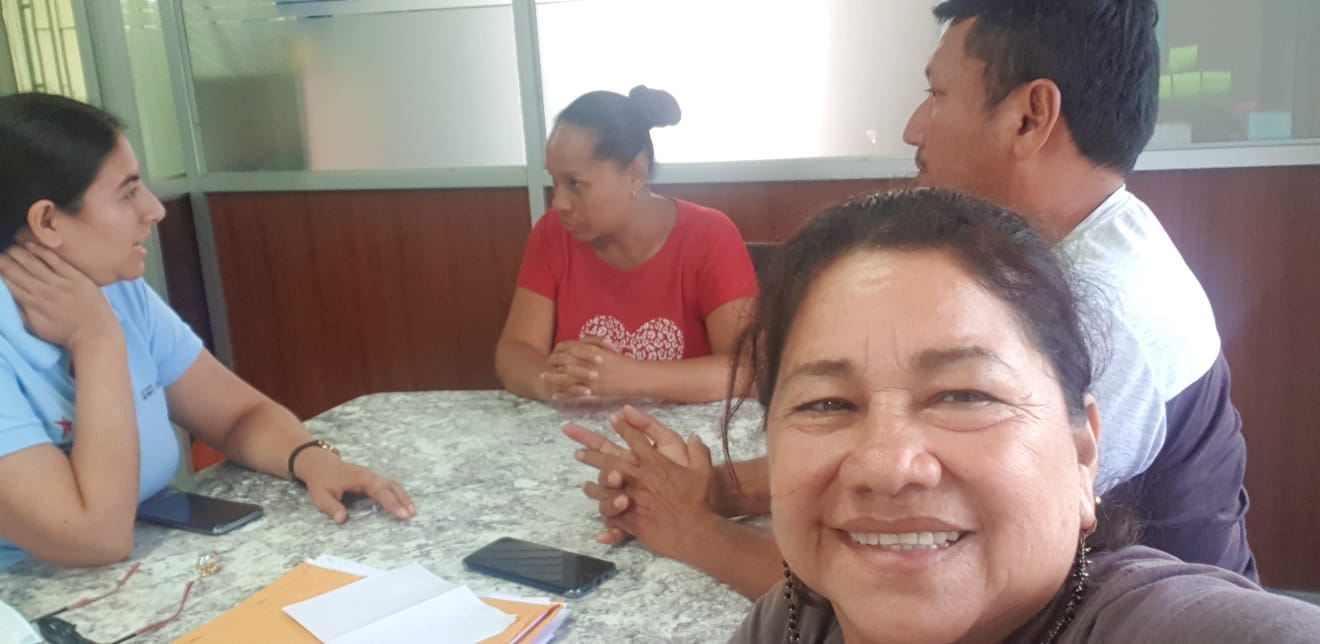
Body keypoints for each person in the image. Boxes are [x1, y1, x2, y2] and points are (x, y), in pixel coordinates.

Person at [567, 0, 1255, 597]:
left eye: (937, 94)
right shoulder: (1048, 257)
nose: (913, 129)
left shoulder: (1107, 313)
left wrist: (692, 530)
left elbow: (925, 579)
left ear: (1029, 117)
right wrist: (711, 487)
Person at [718, 189, 1318, 643]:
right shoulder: (798, 616)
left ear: (1082, 455)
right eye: (826, 403)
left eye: (964, 396)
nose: (887, 466)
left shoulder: (1164, 625)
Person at [0, 93, 415, 571]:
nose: (154, 209)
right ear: (47, 221)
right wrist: (96, 342)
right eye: (128, 193)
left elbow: (239, 415)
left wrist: (313, 461)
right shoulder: (94, 317)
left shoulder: (115, 291)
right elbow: (96, 538)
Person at [496, 86, 758, 404]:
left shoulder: (709, 236)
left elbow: (747, 371)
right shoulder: (552, 234)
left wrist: (628, 378)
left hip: (678, 434)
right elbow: (515, 350)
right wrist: (553, 382)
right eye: (555, 181)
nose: (559, 203)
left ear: (635, 173)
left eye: (575, 184)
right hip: (577, 431)